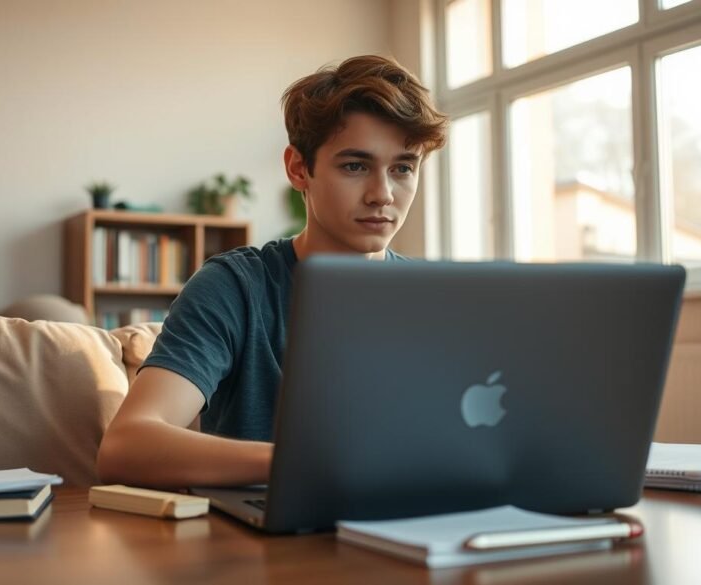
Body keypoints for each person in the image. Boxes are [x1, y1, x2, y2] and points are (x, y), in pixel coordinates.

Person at [96, 55, 448, 489]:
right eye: (355, 166)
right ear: (299, 168)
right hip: (274, 544)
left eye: (403, 168)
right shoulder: (236, 288)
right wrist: (309, 464)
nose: (382, 194)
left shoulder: (435, 299)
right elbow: (127, 447)